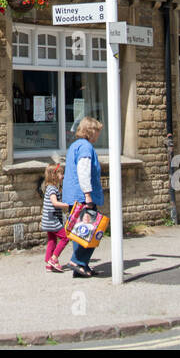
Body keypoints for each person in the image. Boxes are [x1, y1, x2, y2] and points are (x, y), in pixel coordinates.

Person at [62, 116, 104, 278]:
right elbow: (83, 172)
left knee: (79, 231)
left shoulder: (75, 146)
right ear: (91, 131)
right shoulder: (86, 147)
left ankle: (81, 266)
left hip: (73, 196)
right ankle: (77, 261)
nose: (98, 135)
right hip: (83, 196)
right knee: (92, 230)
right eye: (97, 131)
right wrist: (88, 196)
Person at [40, 162, 71, 272]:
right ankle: (54, 259)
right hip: (52, 220)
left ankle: (49, 263)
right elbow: (54, 203)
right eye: (61, 174)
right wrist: (68, 205)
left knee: (52, 240)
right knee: (65, 237)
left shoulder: (49, 187)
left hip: (48, 220)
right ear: (54, 175)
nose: (63, 176)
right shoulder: (52, 189)